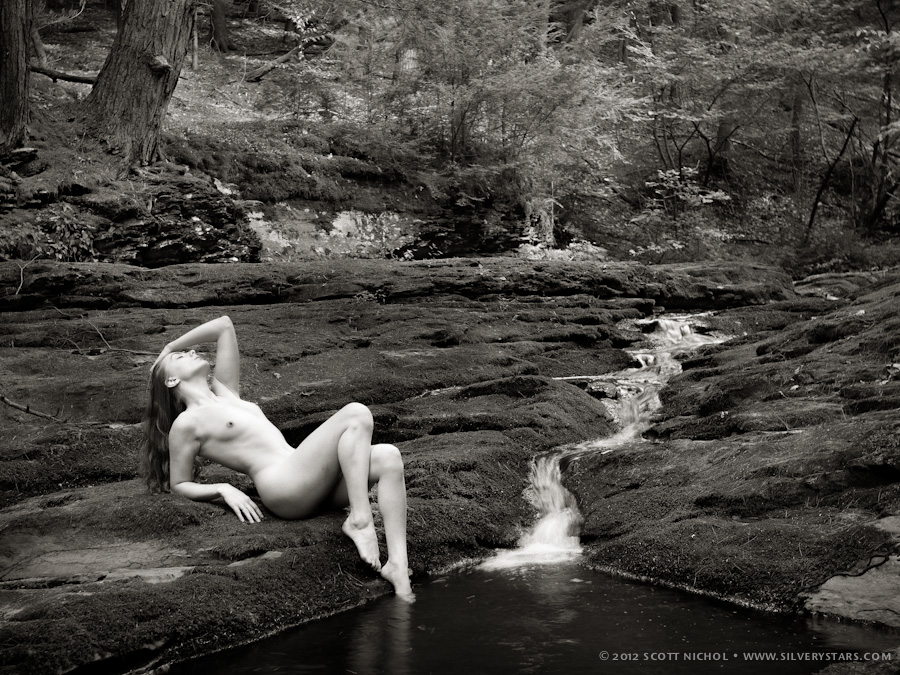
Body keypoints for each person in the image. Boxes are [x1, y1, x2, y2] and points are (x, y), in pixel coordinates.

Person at [141, 315, 413, 599]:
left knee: (389, 457)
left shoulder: (225, 392)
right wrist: (223, 488)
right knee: (356, 413)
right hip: (284, 486)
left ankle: (398, 567)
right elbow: (179, 484)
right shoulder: (187, 423)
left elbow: (224, 325)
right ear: (171, 379)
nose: (191, 351)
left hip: (308, 478)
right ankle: (360, 519)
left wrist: (170, 346)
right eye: (180, 356)